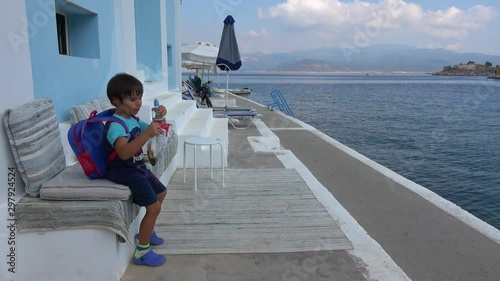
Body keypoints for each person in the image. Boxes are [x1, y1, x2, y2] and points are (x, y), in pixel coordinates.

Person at [104, 73, 168, 267]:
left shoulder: (131, 118)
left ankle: (147, 231)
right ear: (117, 101)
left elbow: (151, 128)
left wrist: (160, 116)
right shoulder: (116, 126)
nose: (139, 102)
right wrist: (147, 134)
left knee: (162, 192)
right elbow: (123, 153)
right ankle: (142, 252)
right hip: (125, 172)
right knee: (154, 207)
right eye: (133, 99)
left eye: (139, 97)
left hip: (137, 167)